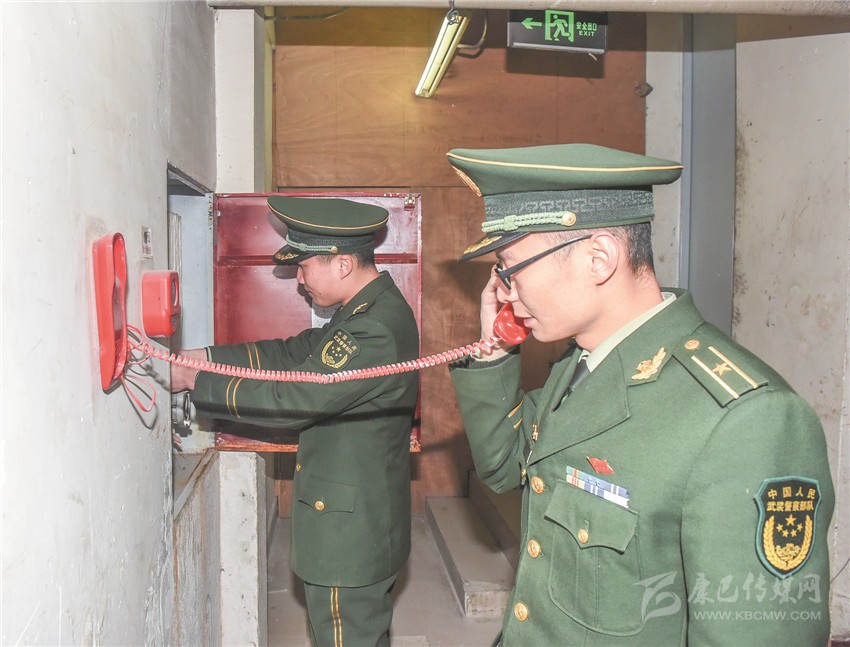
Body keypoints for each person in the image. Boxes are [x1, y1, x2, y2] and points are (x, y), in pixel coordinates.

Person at [446, 143, 834, 646]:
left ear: (599, 258)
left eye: (510, 267)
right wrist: (494, 349)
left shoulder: (749, 419)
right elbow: (503, 467)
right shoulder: (581, 362)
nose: (504, 290)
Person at [171, 196, 420, 647]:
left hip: (349, 534)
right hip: (358, 520)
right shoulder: (367, 309)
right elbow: (293, 353)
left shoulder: (373, 328)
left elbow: (295, 398)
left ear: (342, 264)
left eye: (304, 267)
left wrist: (197, 381)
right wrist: (202, 359)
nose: (299, 279)